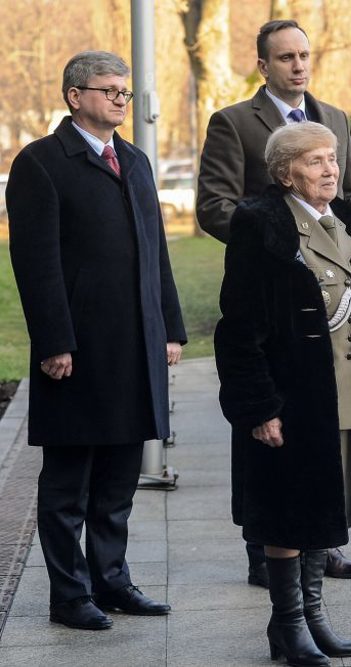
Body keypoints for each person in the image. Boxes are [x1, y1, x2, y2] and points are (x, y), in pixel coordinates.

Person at [6, 51, 186, 631]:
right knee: (68, 484)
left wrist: (170, 327)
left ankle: (112, 581)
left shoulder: (134, 160)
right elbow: (36, 265)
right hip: (79, 352)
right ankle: (69, 595)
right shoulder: (40, 163)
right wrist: (54, 342)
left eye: (124, 92)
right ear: (74, 96)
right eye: (108, 90)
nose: (119, 100)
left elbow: (155, 251)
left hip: (135, 348)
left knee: (118, 479)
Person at [197, 18, 351, 587]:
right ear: (264, 66)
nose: (299, 65)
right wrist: (277, 243)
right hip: (273, 295)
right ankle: (266, 550)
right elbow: (215, 206)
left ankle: (325, 543)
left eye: (304, 55)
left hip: (334, 290)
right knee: (274, 424)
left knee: (330, 424)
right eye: (286, 57)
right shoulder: (233, 122)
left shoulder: (334, 118)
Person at [215, 121, 351, 664]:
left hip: (344, 395)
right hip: (292, 399)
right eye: (315, 161)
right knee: (287, 511)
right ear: (285, 173)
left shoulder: (344, 221)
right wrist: (259, 406)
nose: (330, 170)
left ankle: (315, 617)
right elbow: (239, 328)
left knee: (326, 507)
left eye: (332, 159)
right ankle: (288, 623)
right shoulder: (262, 225)